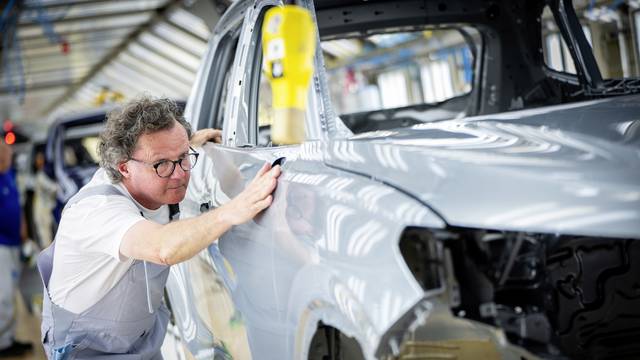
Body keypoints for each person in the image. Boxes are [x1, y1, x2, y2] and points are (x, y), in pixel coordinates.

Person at [38, 96, 281, 359]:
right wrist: (234, 210)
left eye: (184, 157)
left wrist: (189, 146)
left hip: (139, 344)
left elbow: (165, 155)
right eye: (161, 164)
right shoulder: (97, 211)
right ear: (124, 168)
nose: (179, 174)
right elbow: (163, 247)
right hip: (87, 352)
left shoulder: (148, 175)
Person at [0, 140, 33, 357]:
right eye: (5, 154)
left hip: (13, 243)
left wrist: (23, 230)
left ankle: (6, 339)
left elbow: (16, 206)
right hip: (1, 244)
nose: (8, 157)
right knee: (2, 296)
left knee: (9, 295)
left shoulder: (9, 175)